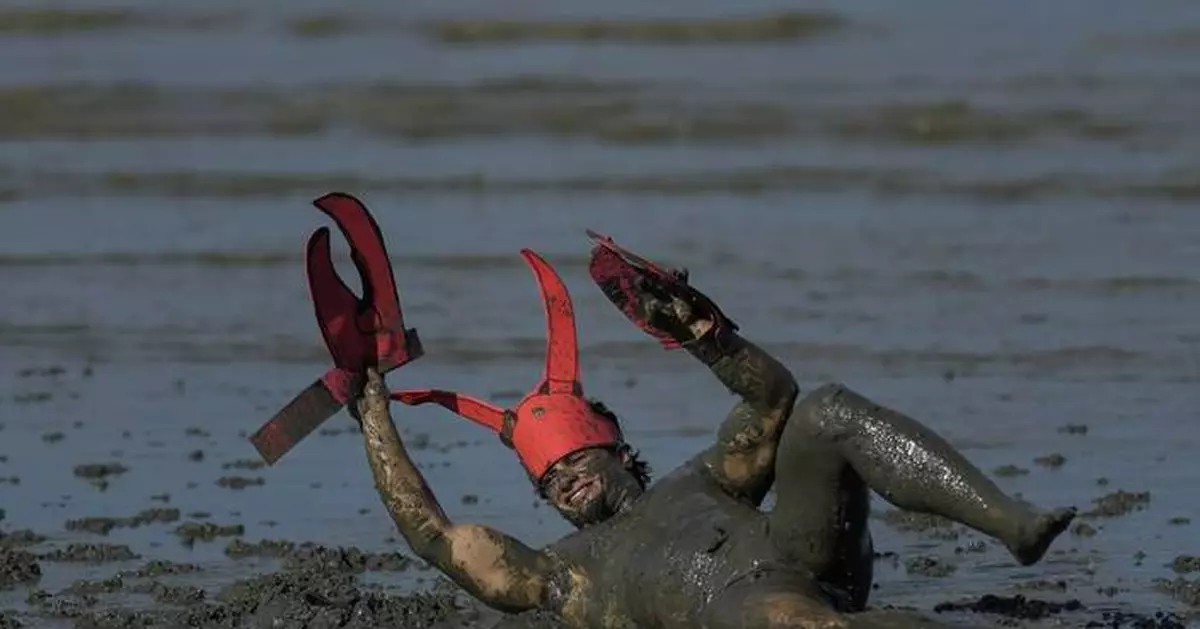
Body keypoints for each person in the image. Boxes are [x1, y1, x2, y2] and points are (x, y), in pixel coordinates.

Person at [350, 238, 1076, 629]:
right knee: (788, 619)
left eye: (573, 458)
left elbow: (773, 400)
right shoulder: (565, 572)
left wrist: (701, 332)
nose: (563, 478)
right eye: (548, 479)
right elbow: (436, 536)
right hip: (734, 610)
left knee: (822, 409)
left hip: (805, 552)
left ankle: (1010, 522)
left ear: (614, 445)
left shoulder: (703, 478)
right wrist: (374, 415)